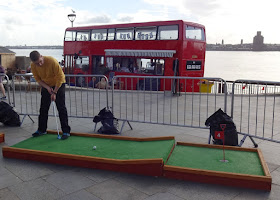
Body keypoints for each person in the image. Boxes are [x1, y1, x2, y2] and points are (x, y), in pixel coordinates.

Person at [30, 50, 71, 140]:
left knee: (61, 107)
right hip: (46, 85)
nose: (39, 64)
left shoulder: (52, 61)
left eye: (40, 61)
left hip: (59, 84)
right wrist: (48, 88)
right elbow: (38, 79)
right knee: (43, 108)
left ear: (41, 56)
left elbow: (60, 78)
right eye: (37, 63)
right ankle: (41, 130)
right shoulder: (33, 65)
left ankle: (66, 131)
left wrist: (54, 92)